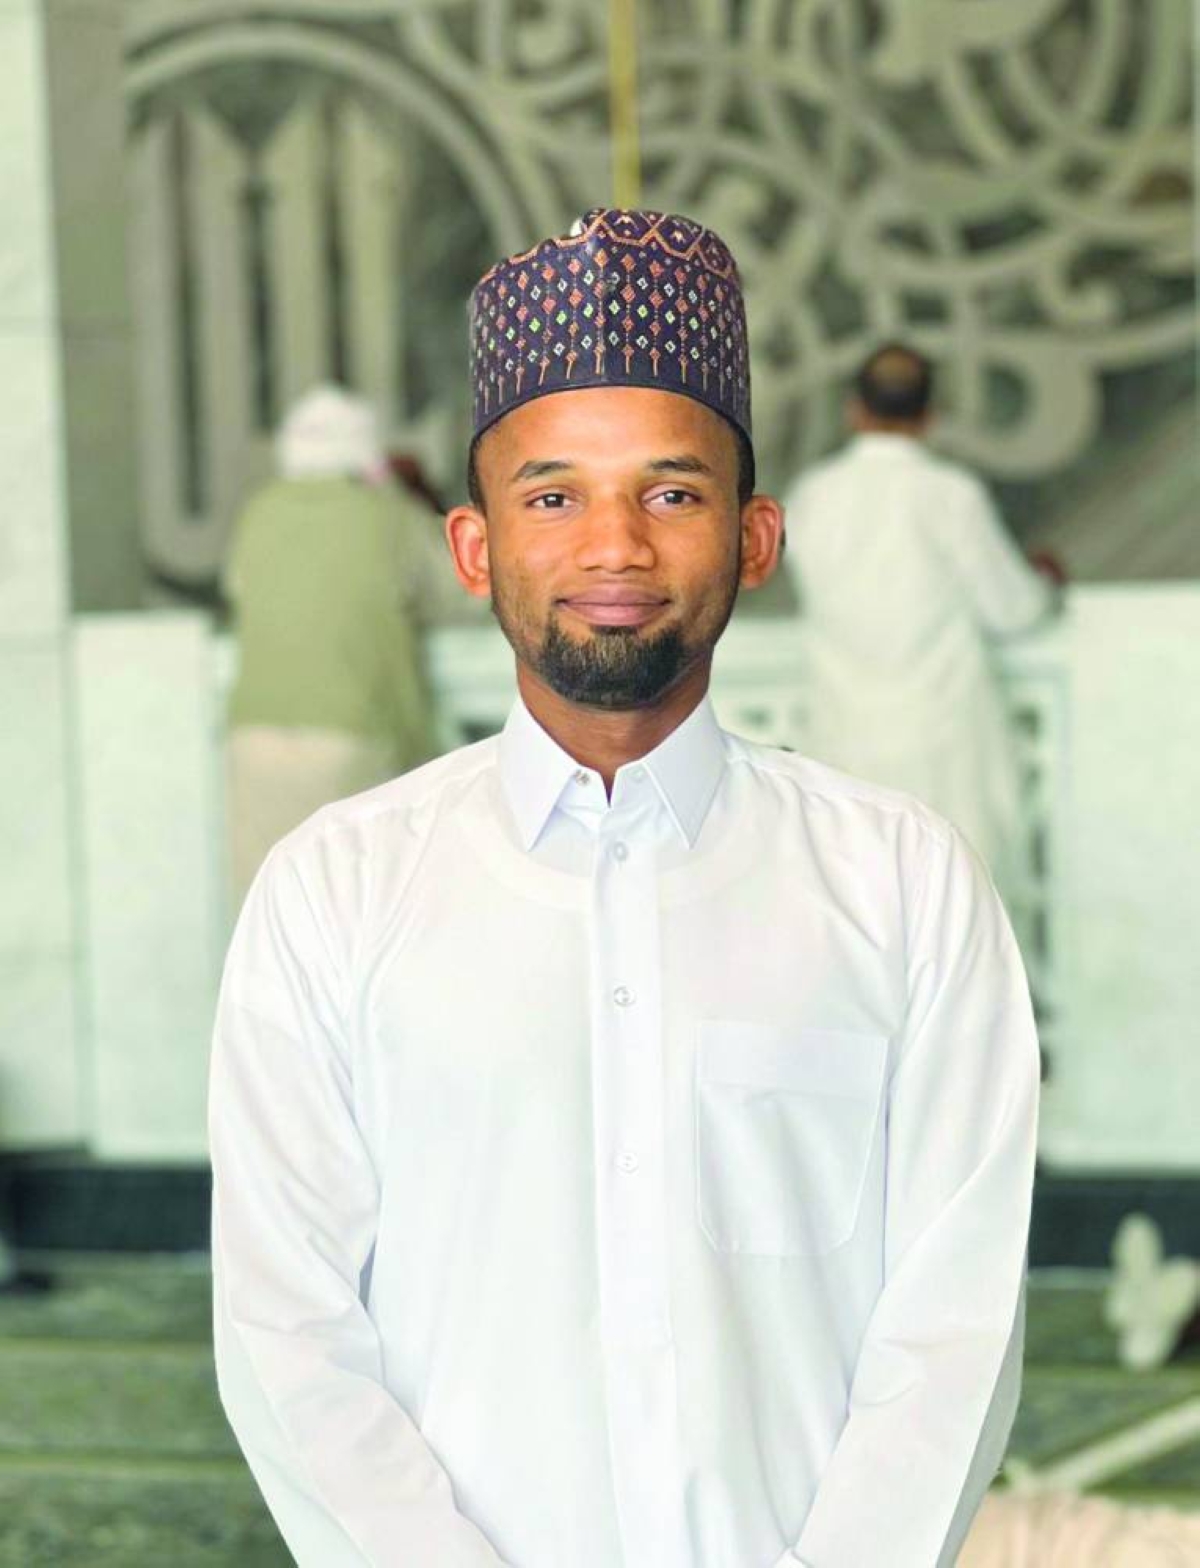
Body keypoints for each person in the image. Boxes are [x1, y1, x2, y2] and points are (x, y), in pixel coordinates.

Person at [210, 210, 1040, 1568]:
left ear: (755, 537)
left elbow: (955, 1329)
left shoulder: (904, 886)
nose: (615, 548)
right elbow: (287, 1330)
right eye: (553, 497)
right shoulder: (334, 895)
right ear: (473, 547)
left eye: (671, 493)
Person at [784, 343, 1058, 883]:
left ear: (854, 410)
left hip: (845, 741)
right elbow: (1013, 610)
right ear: (930, 415)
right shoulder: (950, 495)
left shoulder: (811, 497)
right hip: (945, 743)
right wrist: (1045, 584)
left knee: (860, 904)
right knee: (954, 905)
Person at [223, 384, 472, 907]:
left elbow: (239, 588)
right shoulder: (387, 514)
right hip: (354, 736)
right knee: (362, 908)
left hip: (254, 737)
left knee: (270, 909)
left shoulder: (259, 513)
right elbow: (459, 592)